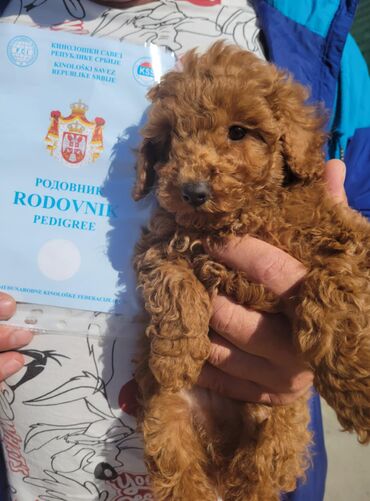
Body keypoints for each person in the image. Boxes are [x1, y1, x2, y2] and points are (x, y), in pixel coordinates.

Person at [0, 0, 369, 500]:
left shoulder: (317, 35)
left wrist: (328, 337)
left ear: (292, 138)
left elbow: (355, 247)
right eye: (174, 141)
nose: (196, 168)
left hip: (268, 429)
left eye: (238, 134)